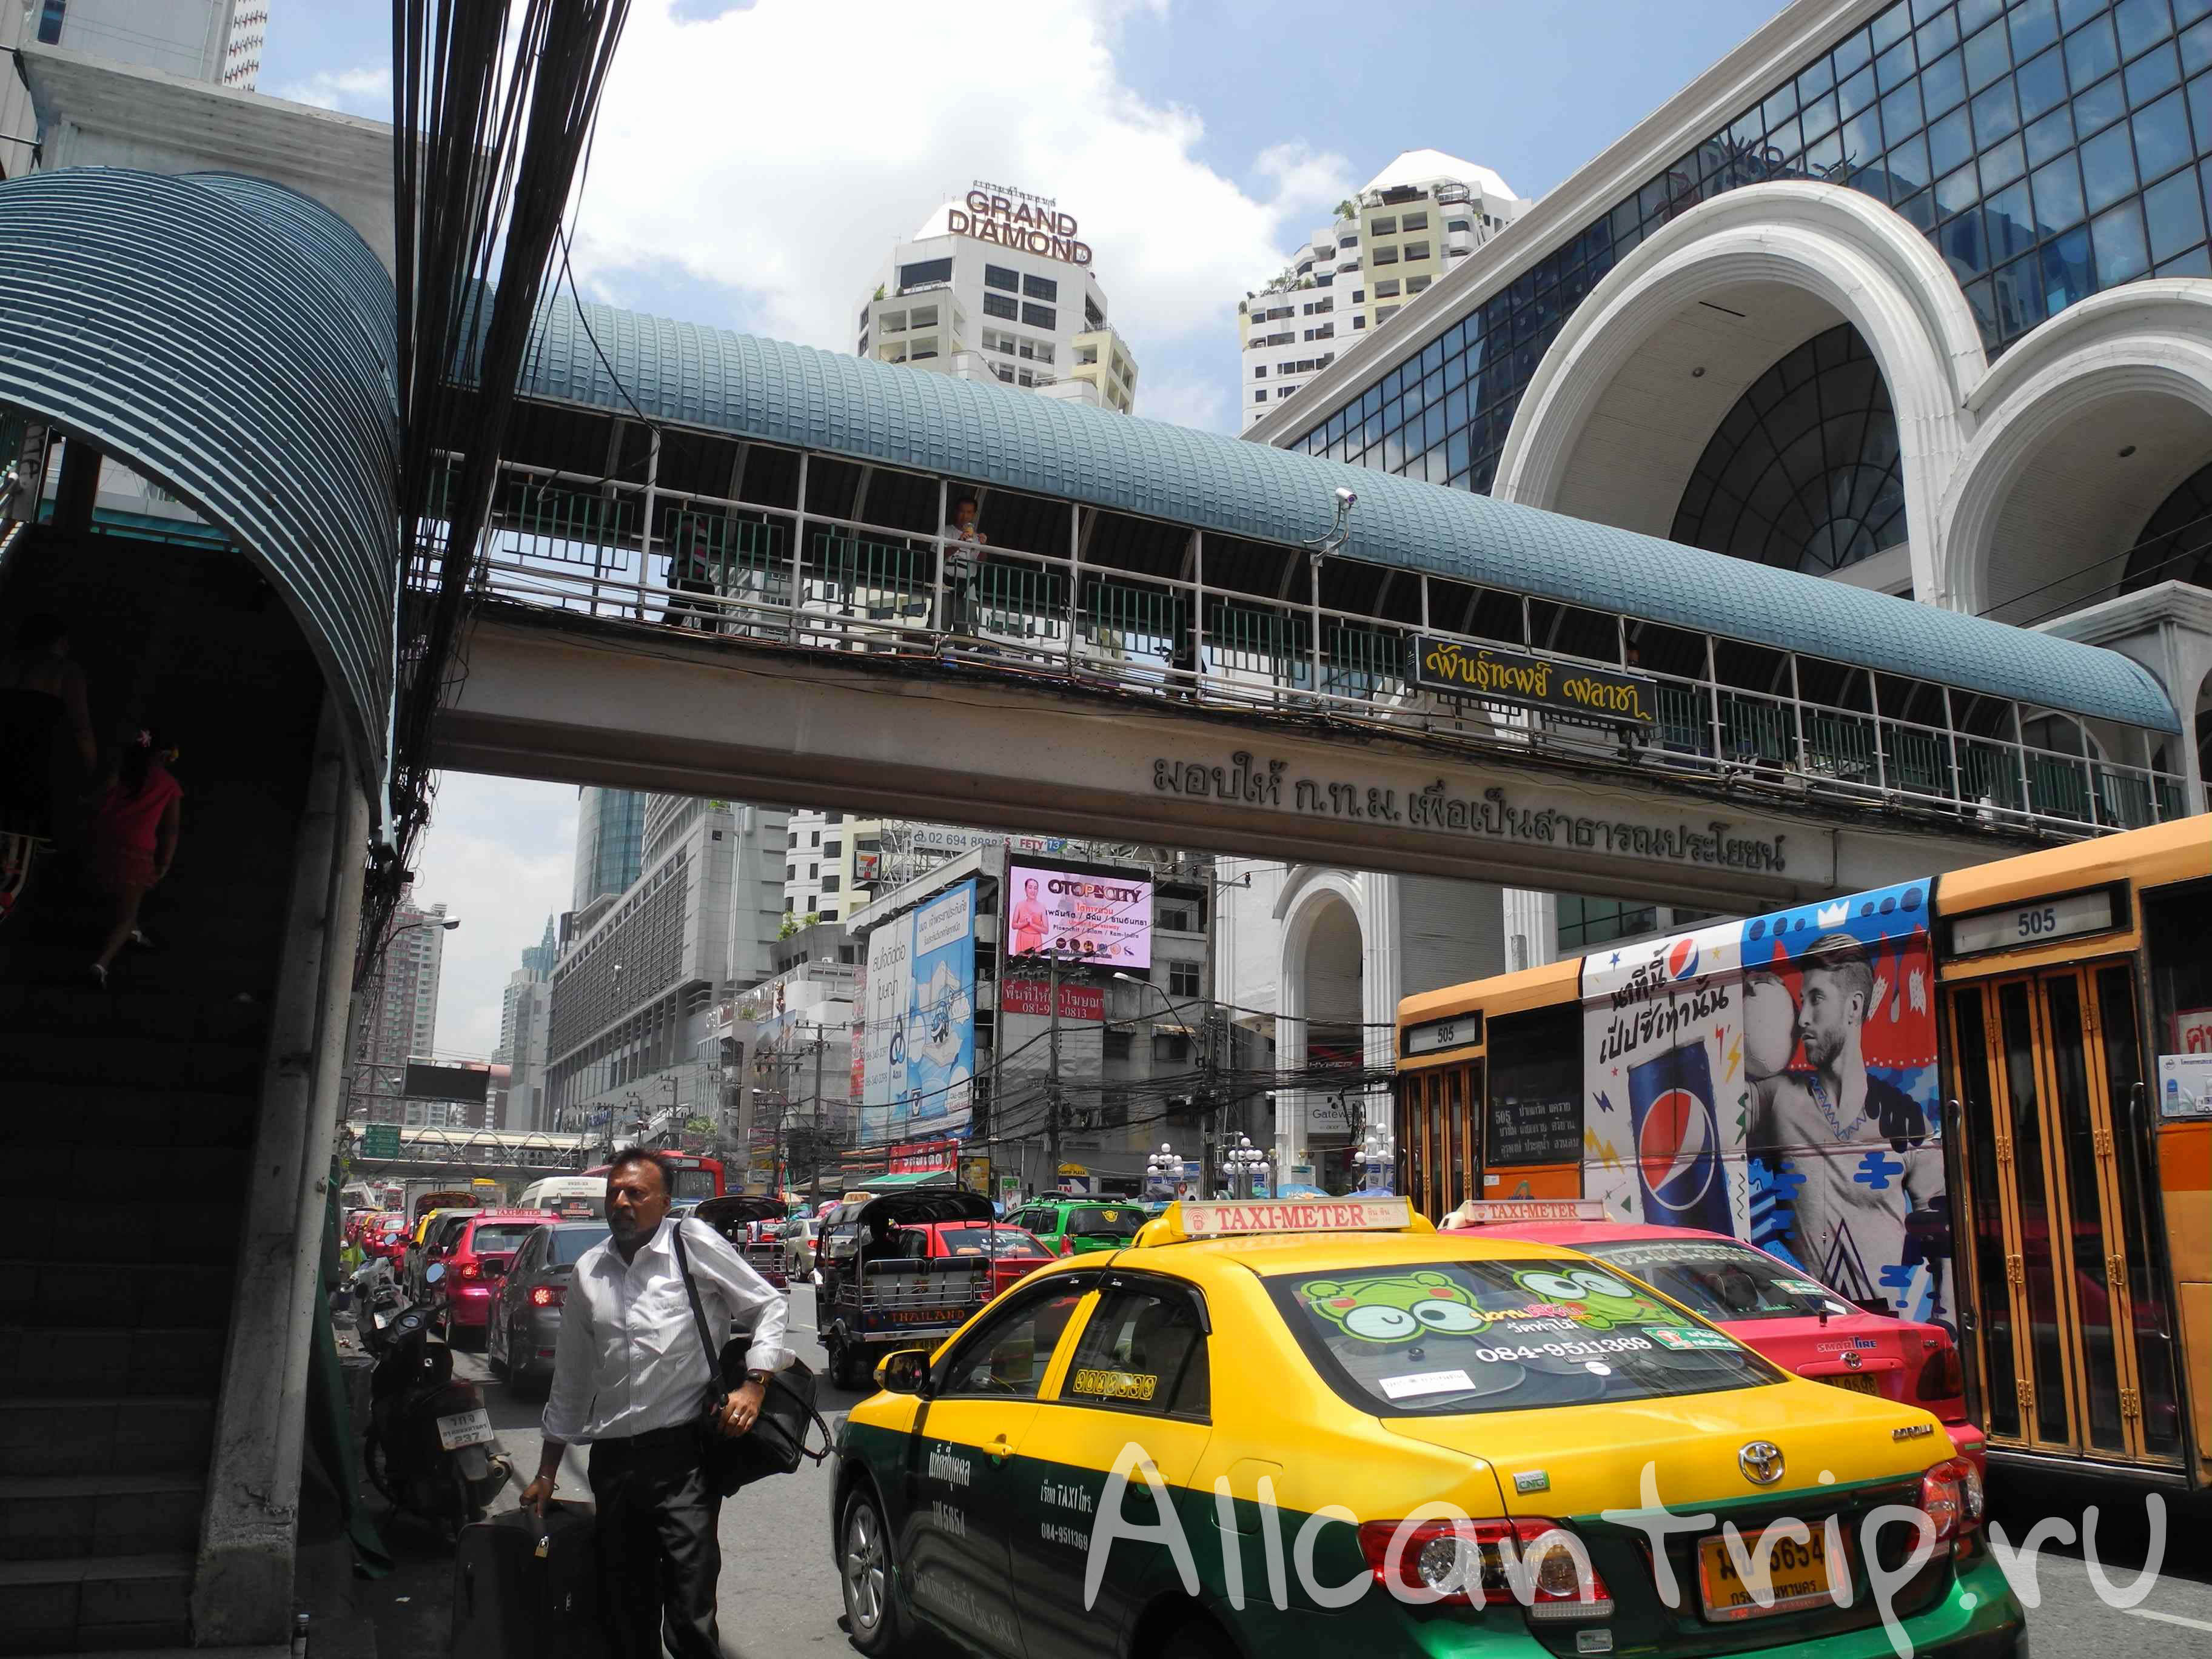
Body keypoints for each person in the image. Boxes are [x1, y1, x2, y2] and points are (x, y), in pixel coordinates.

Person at [522, 1147, 791, 1659]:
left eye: (636, 1193)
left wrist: (755, 1383)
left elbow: (769, 1304)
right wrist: (547, 1470)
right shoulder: (588, 1272)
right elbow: (572, 1377)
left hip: (684, 1459)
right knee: (624, 1611)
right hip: (614, 1464)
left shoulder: (690, 1244)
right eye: (614, 1193)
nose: (621, 1202)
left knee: (689, 1611)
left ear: (663, 1202)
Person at [1748, 934, 1942, 1307]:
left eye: (1816, 999)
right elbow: (1708, 1104)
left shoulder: (1903, 1119)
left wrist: (1945, 1317)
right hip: (1803, 1317)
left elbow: (1939, 1220)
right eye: (1801, 1001)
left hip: (1881, 1323)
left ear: (1854, 1008)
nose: (1802, 1017)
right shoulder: (1778, 1098)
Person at [85, 729, 181, 988]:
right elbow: (170, 830)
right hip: (137, 852)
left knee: (118, 893)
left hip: (103, 845)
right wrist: (165, 862)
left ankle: (134, 933)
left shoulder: (121, 774)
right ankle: (102, 964)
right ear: (163, 756)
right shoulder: (169, 785)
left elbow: (97, 802)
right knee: (126, 914)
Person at [940, 495, 986, 638]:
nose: (965, 516)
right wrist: (959, 543)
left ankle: (963, 659)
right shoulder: (945, 531)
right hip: (944, 585)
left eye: (969, 512)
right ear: (956, 512)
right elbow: (939, 555)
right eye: (962, 511)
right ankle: (935, 657)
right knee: (940, 627)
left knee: (965, 634)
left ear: (974, 514)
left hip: (968, 588)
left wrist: (983, 546)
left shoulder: (978, 537)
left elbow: (982, 562)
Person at [662, 523, 720, 632]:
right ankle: (709, 640)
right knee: (709, 610)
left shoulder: (692, 519)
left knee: (677, 611)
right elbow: (685, 539)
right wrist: (692, 568)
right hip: (690, 573)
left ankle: (663, 633)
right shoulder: (691, 518)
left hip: (689, 573)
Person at [1010, 876, 1048, 955]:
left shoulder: (1042, 907)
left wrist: (1032, 925)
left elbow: (1046, 930)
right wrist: (1025, 923)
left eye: (1035, 888)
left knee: (1034, 965)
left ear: (1038, 891)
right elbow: (1013, 925)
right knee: (1020, 964)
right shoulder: (1019, 905)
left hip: (1036, 940)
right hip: (1022, 937)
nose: (1033, 891)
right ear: (1025, 889)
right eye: (1030, 888)